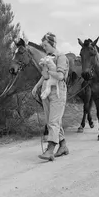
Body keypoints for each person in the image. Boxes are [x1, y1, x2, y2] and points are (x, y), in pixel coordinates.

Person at [31, 32, 69, 160]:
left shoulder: (61, 57)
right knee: (51, 121)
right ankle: (63, 146)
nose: (44, 47)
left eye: (46, 45)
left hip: (57, 92)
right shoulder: (47, 56)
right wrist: (37, 86)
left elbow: (60, 76)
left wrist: (49, 69)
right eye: (43, 45)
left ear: (52, 43)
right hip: (46, 90)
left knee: (53, 121)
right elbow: (44, 75)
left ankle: (50, 150)